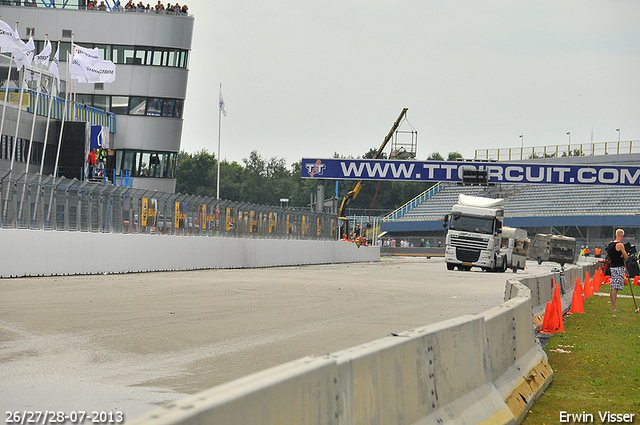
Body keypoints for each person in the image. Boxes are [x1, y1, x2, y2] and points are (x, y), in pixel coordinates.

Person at [607, 229, 628, 312]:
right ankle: (613, 307)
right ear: (622, 236)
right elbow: (625, 256)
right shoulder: (620, 245)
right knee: (615, 288)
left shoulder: (610, 244)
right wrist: (623, 254)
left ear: (616, 235)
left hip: (612, 266)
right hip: (618, 267)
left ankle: (613, 306)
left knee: (613, 287)